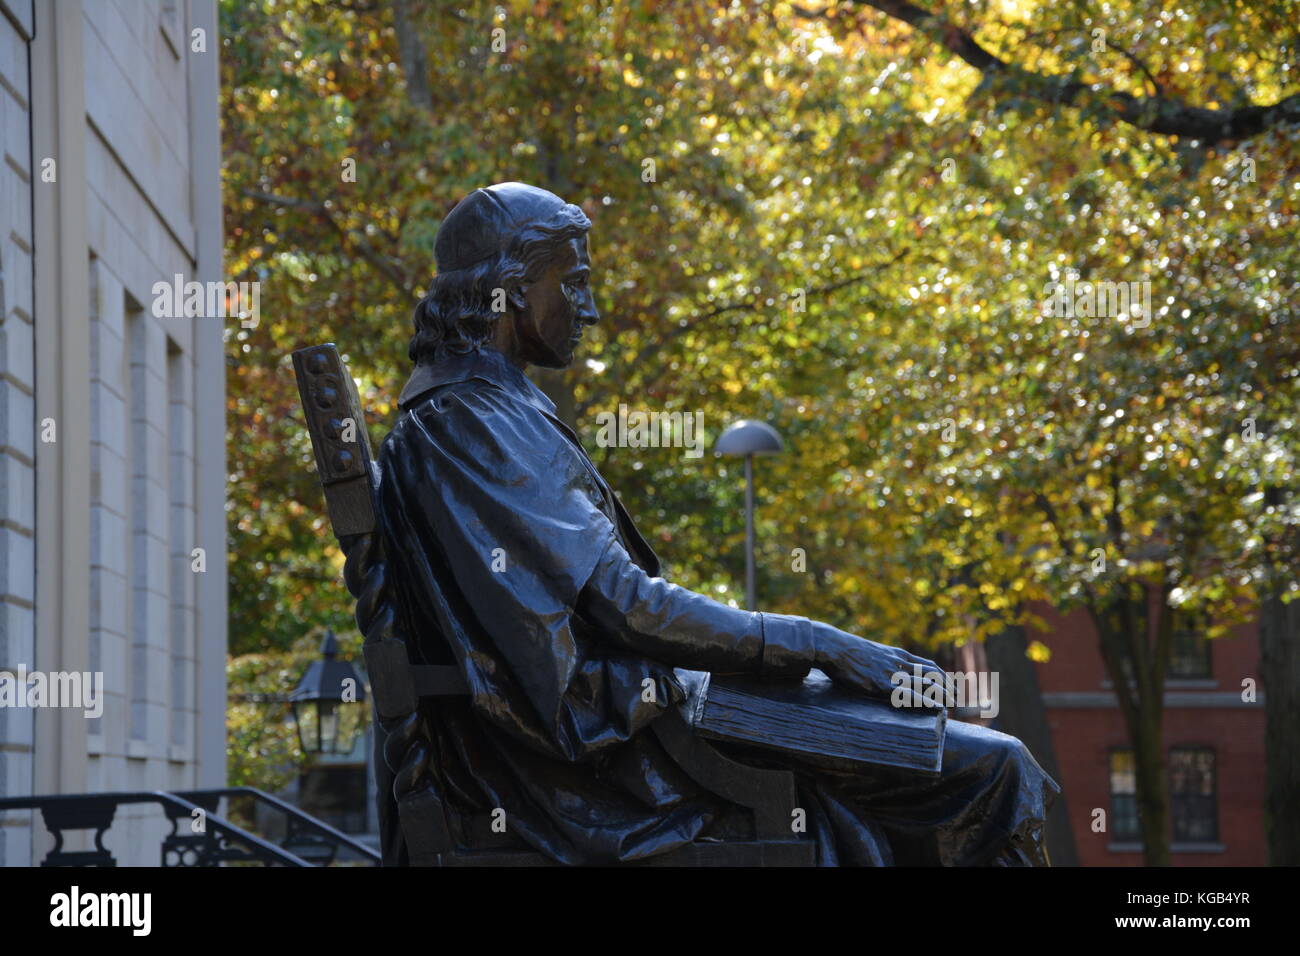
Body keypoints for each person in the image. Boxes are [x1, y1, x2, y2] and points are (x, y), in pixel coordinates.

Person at [372, 181, 1059, 865]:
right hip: (612, 753)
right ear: (515, 288)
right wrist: (822, 645)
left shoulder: (474, 411)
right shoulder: (474, 422)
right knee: (991, 770)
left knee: (931, 748)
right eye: (574, 282)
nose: (591, 308)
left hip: (630, 724)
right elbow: (629, 608)